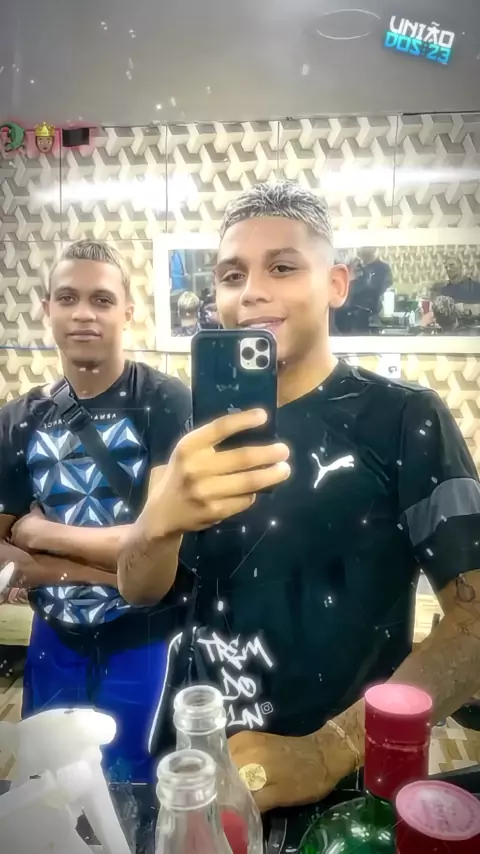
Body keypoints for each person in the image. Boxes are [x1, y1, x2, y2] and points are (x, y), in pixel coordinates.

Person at [118, 182, 480, 811]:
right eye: (232, 275)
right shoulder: (190, 424)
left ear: (336, 285)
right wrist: (155, 527)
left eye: (282, 267)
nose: (251, 291)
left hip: (347, 791)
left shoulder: (404, 419)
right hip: (196, 761)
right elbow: (139, 588)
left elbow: (473, 624)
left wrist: (328, 751)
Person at [0, 240, 191, 784]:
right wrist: (107, 568)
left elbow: (159, 544)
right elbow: (3, 555)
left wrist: (41, 534)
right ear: (47, 309)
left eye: (102, 299)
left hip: (148, 640)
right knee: (50, 790)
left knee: (144, 790)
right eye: (68, 298)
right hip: (54, 640)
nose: (84, 312)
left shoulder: (165, 401)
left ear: (127, 312)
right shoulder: (19, 420)